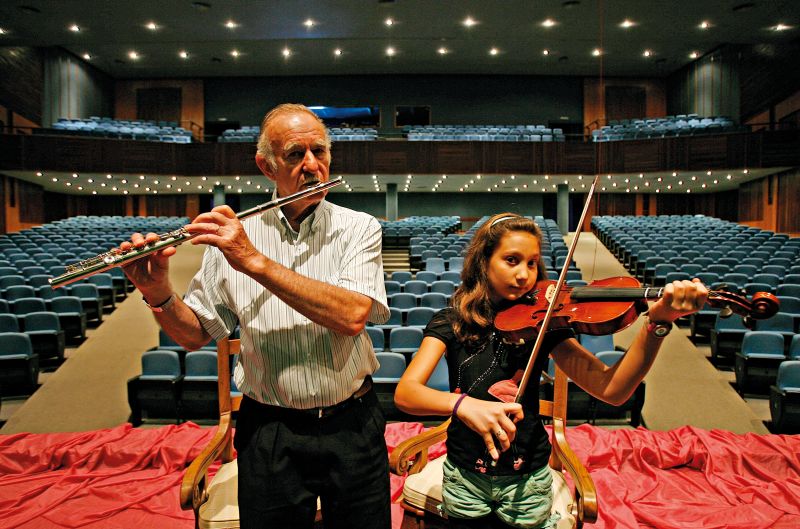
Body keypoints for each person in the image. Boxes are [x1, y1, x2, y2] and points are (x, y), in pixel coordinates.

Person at [120, 103, 391, 529]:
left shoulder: (359, 228)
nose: (312, 165)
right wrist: (158, 294)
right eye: (295, 154)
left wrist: (253, 260)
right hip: (269, 428)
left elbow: (352, 315)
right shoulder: (231, 239)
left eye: (319, 152)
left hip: (352, 424)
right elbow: (194, 335)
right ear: (267, 166)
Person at [394, 212, 708, 529]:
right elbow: (406, 393)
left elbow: (612, 390)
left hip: (527, 479)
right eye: (512, 260)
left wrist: (658, 323)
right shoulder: (451, 322)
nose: (524, 275)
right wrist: (464, 405)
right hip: (464, 475)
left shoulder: (544, 324)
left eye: (532, 263)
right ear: (483, 262)